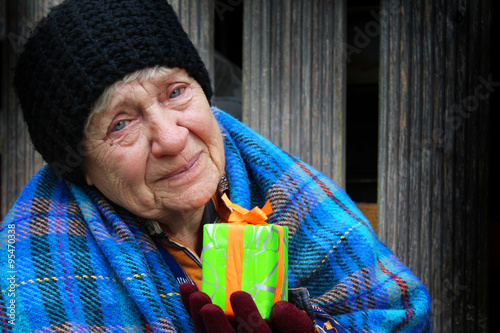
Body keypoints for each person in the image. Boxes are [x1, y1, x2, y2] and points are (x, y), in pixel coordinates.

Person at [0, 0, 431, 332]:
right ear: (82, 168)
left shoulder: (284, 193)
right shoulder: (35, 264)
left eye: (175, 92)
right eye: (121, 123)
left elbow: (400, 314)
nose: (171, 138)